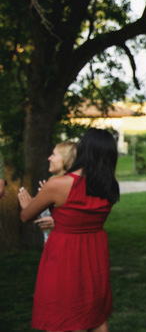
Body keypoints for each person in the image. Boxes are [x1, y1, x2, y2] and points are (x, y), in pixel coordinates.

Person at [18, 128, 120, 332]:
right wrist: (58, 221)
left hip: (66, 254)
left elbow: (25, 217)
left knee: (67, 315)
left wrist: (28, 205)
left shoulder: (60, 184)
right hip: (95, 251)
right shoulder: (110, 186)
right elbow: (81, 219)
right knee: (96, 315)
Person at [34, 141, 78, 241]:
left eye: (54, 154)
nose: (49, 158)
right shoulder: (53, 183)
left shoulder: (73, 185)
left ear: (66, 159)